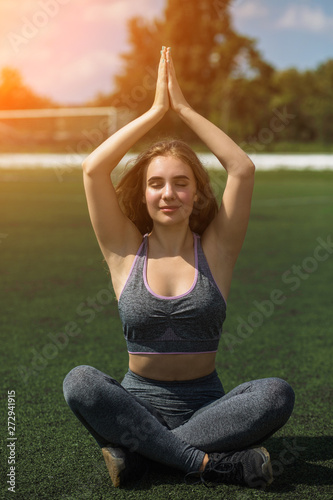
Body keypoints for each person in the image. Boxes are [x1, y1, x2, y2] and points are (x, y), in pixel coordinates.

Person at [63, 46, 295, 490]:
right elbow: (94, 170)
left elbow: (242, 168)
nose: (168, 193)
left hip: (208, 409)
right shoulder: (124, 250)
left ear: (196, 193)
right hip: (136, 406)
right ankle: (214, 465)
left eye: (180, 183)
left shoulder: (217, 249)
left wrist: (184, 109)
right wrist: (155, 112)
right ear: (145, 193)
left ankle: (145, 458)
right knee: (81, 382)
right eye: (156, 183)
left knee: (276, 392)